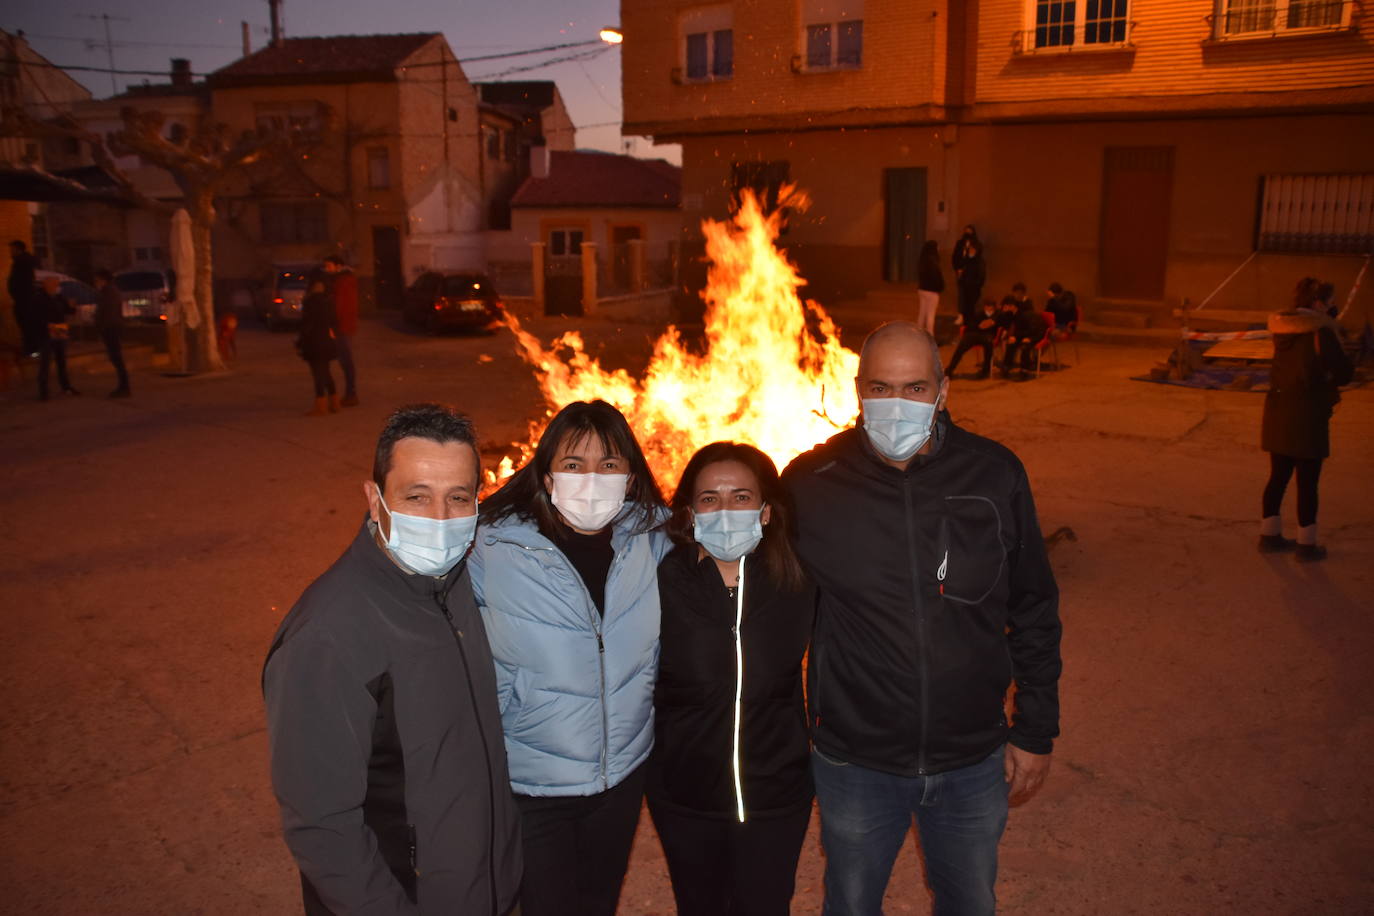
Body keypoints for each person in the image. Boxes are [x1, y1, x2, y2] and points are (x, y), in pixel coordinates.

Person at [782, 322, 1062, 916]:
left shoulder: (995, 474)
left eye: (914, 387)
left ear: (943, 390)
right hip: (855, 760)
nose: (897, 404)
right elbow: (769, 615)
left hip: (972, 758)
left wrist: (1035, 729)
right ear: (857, 390)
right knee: (851, 904)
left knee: (969, 903)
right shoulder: (810, 484)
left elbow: (1033, 604)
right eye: (881, 387)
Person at [262, 403, 522, 916]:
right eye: (417, 497)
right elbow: (322, 825)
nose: (442, 520)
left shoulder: (456, 585)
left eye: (459, 498)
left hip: (488, 889)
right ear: (375, 499)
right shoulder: (329, 636)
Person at [471, 399, 672, 916]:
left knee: (599, 902)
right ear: (546, 474)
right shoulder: (492, 548)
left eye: (609, 465)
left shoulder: (653, 541)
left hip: (620, 778)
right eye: (573, 464)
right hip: (532, 787)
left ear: (630, 477)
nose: (591, 480)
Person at [649, 442, 815, 916]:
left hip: (776, 796)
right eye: (710, 498)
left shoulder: (798, 580)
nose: (725, 509)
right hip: (685, 796)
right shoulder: (659, 581)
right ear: (690, 512)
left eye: (741, 497)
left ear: (765, 512)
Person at [1259, 293, 1353, 561]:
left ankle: (1269, 535)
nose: (1333, 305)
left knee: (1278, 476)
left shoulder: (1281, 330)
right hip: (1308, 414)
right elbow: (1345, 372)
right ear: (1317, 304)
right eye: (1329, 300)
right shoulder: (1319, 333)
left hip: (1278, 411)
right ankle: (1306, 544)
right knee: (1308, 482)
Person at [296, 269, 338, 415]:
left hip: (314, 341)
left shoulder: (311, 300)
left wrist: (300, 342)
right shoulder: (328, 300)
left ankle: (320, 405)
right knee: (326, 371)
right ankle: (334, 402)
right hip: (326, 340)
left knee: (318, 373)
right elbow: (333, 321)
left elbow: (307, 324)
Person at [34, 274, 79, 400]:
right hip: (46, 333)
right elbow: (36, 317)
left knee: (61, 361)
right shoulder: (39, 298)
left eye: (57, 285)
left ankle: (66, 387)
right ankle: (43, 391)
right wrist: (47, 326)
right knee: (45, 363)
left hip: (59, 331)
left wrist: (72, 306)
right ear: (46, 285)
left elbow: (68, 311)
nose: (56, 287)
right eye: (54, 285)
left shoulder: (59, 297)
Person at [325, 255, 360, 406]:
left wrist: (333, 326)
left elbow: (339, 306)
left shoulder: (342, 281)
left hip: (342, 326)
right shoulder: (345, 280)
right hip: (346, 325)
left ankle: (351, 394)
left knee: (346, 361)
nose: (327, 269)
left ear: (338, 266)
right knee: (345, 361)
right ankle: (350, 393)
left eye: (329, 266)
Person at [93, 269, 131, 398]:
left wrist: (100, 327)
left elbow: (107, 313)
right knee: (116, 357)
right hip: (112, 328)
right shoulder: (110, 291)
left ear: (103, 280)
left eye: (97, 280)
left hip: (111, 329)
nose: (96, 283)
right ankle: (123, 385)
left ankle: (124, 386)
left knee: (116, 358)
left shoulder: (108, 293)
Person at [945, 298, 1000, 379]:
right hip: (975, 334)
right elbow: (970, 326)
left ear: (994, 307)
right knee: (961, 346)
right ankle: (950, 370)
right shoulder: (979, 314)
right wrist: (980, 326)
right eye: (987, 306)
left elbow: (999, 324)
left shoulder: (997, 315)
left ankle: (985, 370)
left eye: (990, 307)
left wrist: (991, 323)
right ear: (984, 307)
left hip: (988, 336)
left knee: (989, 345)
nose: (988, 308)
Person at [1001, 285, 1047, 379]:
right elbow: (1013, 327)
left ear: (1013, 306)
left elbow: (1032, 329)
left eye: (1006, 306)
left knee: (1025, 346)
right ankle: (1006, 367)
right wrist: (1014, 337)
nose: (1004, 308)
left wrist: (1028, 338)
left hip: (1035, 334)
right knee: (1011, 344)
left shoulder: (1024, 314)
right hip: (1024, 334)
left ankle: (1024, 371)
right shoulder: (1011, 313)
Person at [7, 239, 40, 357]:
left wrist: (17, 294)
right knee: (28, 325)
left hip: (24, 300)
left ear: (18, 249)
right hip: (26, 299)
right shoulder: (27, 261)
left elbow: (20, 282)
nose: (10, 252)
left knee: (27, 325)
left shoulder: (22, 262)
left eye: (12, 250)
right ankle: (33, 350)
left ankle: (32, 350)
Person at [951, 225, 986, 327]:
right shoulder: (960, 244)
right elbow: (955, 257)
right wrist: (958, 269)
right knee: (963, 298)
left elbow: (981, 274)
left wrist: (977, 283)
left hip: (974, 284)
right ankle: (962, 316)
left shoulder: (979, 260)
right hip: (964, 279)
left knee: (971, 304)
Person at [916, 240, 944, 336]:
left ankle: (918, 333)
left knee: (922, 313)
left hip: (922, 289)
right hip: (932, 291)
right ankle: (930, 336)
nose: (938, 249)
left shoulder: (922, 260)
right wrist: (940, 287)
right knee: (930, 314)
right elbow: (937, 277)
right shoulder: (933, 261)